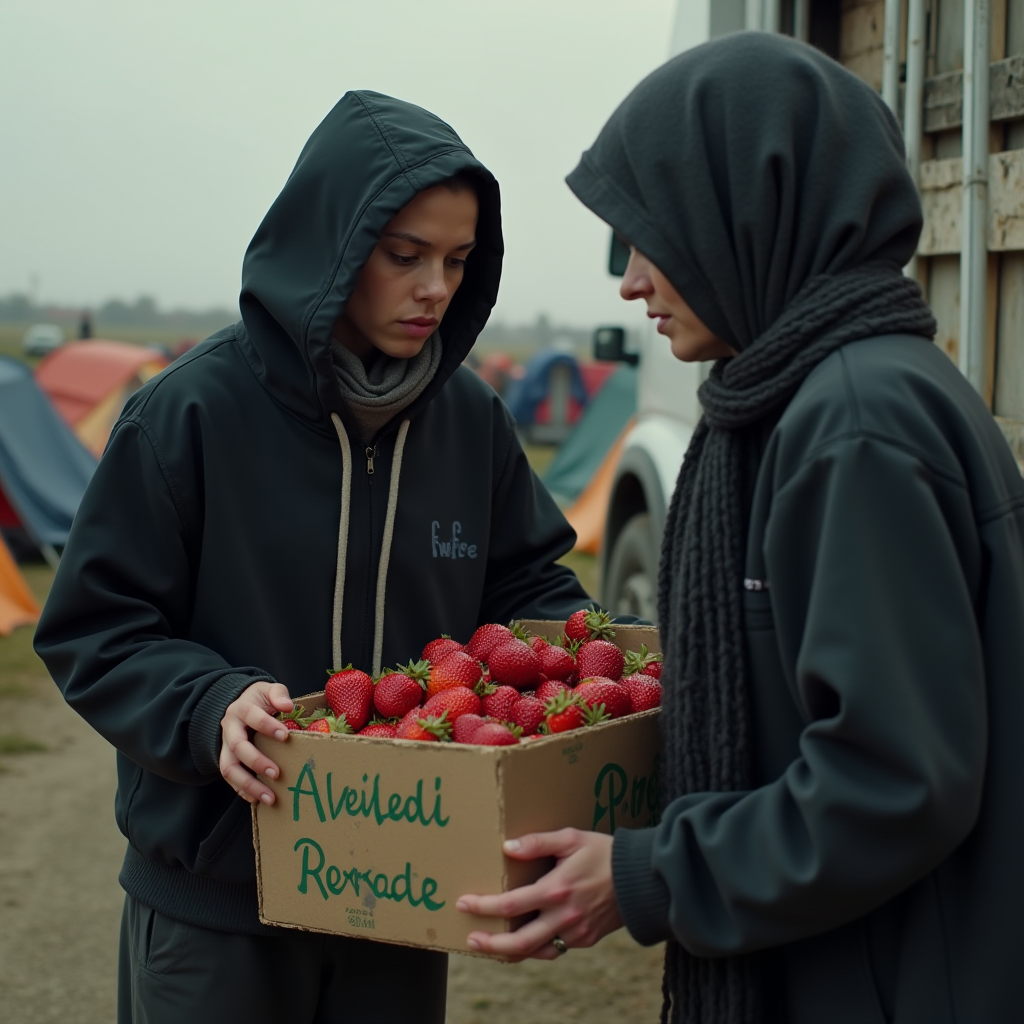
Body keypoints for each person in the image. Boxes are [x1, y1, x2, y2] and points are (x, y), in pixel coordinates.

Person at [456, 33, 1024, 1023]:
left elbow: (893, 780)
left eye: (650, 236)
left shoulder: (853, 423)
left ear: (744, 217)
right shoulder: (821, 396)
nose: (629, 282)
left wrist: (647, 875)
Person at [34, 91, 594, 1024]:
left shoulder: (472, 423)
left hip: (404, 904)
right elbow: (97, 627)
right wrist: (208, 703)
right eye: (404, 254)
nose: (435, 289)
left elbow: (529, 589)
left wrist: (571, 685)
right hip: (217, 915)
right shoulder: (191, 413)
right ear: (333, 244)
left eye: (458, 261)